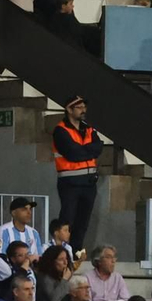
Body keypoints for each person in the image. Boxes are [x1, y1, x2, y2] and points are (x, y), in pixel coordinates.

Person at [52, 96, 101, 253]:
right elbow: (72, 154)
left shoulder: (88, 129)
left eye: (83, 107)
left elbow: (98, 148)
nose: (83, 110)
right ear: (69, 109)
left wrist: (83, 151)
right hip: (70, 182)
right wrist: (88, 151)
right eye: (79, 107)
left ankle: (75, 252)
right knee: (68, 220)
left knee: (83, 222)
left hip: (89, 182)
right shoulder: (60, 130)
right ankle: (62, 251)